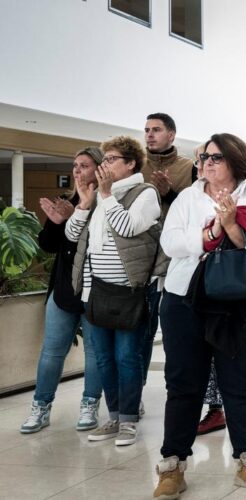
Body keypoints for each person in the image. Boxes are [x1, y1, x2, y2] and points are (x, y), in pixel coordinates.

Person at [154, 133, 246, 497]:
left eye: (215, 157)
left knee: (241, 384)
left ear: (234, 161)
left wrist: (230, 225)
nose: (206, 164)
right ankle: (172, 465)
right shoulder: (187, 196)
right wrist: (212, 231)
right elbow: (170, 244)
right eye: (203, 158)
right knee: (183, 384)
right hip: (184, 299)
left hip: (239, 303)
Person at [65, 136, 163, 447]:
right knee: (104, 359)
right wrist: (83, 203)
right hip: (94, 293)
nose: (104, 165)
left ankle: (130, 421)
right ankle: (115, 416)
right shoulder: (96, 196)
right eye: (104, 160)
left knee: (127, 358)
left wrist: (105, 195)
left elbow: (128, 227)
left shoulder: (145, 193)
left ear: (131, 163)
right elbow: (71, 235)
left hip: (128, 293)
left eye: (111, 160)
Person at [20, 147, 105, 435]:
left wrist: (77, 217)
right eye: (75, 165)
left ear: (99, 168)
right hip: (63, 292)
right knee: (52, 352)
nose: (78, 171)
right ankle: (41, 407)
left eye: (84, 165)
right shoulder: (65, 201)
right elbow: (48, 245)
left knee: (95, 353)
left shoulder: (108, 202)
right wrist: (58, 223)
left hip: (96, 292)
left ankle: (90, 404)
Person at [140, 113, 195, 392]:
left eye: (157, 130)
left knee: (175, 330)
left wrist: (168, 194)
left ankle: (180, 389)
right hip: (138, 259)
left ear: (171, 134)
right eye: (147, 129)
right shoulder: (136, 166)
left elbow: (194, 215)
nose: (150, 134)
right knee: (140, 333)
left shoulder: (190, 168)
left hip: (175, 261)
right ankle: (133, 394)